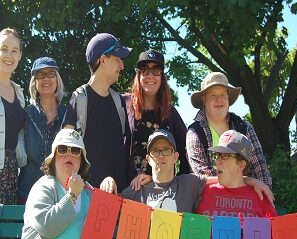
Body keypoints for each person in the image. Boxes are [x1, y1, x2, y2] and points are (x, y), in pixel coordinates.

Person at [101, 129, 273, 239]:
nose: (161, 155)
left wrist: (251, 181)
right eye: (155, 151)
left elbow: (224, 179)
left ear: (175, 157)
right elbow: (104, 212)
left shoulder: (189, 184)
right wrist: (108, 180)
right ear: (148, 159)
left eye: (166, 150)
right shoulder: (135, 191)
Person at [0, 128, 121, 239]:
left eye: (75, 151)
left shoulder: (91, 194)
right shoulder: (43, 187)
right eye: (63, 150)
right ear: (54, 157)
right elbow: (48, 227)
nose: (69, 155)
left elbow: (102, 237)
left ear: (82, 161)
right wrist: (72, 196)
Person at [195, 130, 297, 239]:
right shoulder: (203, 193)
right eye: (217, 156)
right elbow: (179, 184)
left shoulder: (259, 194)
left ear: (241, 164)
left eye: (225, 156)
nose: (218, 161)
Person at [63, 33, 132, 192]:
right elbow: (65, 152)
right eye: (117, 59)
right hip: (87, 197)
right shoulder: (79, 99)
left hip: (119, 197)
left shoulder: (118, 101)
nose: (122, 66)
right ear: (103, 59)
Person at [186, 72, 272, 188]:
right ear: (203, 99)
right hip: (210, 198)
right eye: (213, 95)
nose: (219, 100)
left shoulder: (244, 127)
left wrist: (264, 190)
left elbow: (259, 166)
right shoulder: (195, 132)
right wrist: (248, 181)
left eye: (222, 94)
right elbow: (202, 174)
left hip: (246, 198)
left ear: (228, 97)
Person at [125, 49, 190, 179]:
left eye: (156, 70)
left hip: (161, 190)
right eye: (145, 70)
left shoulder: (171, 113)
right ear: (139, 75)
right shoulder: (124, 105)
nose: (150, 76)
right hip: (128, 188)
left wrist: (179, 184)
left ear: (162, 77)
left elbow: (186, 152)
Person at [17, 57, 66, 203]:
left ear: (57, 80)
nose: (46, 78)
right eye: (40, 74)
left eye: (51, 73)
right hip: (27, 193)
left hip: (59, 195)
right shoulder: (25, 115)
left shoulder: (68, 115)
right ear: (34, 82)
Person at [0, 27, 25, 204]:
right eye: (3, 49)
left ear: (20, 56)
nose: (9, 55)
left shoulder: (19, 93)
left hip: (10, 169)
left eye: (14, 51)